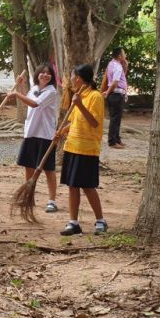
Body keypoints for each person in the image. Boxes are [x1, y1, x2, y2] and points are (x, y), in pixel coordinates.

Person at [56, 64, 109, 235]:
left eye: (72, 76)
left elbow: (94, 123)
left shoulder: (95, 96)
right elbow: (74, 122)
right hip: (72, 146)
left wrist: (79, 105)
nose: (70, 80)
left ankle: (100, 221)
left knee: (87, 186)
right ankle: (73, 223)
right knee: (72, 185)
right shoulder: (79, 96)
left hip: (87, 149)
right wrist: (61, 132)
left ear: (78, 78)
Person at [8, 63, 61, 214]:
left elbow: (35, 104)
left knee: (48, 169)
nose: (45, 75)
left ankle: (52, 201)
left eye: (48, 73)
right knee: (29, 166)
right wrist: (20, 87)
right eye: (42, 72)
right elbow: (28, 99)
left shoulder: (51, 92)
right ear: (37, 74)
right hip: (31, 132)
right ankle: (28, 197)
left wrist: (16, 94)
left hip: (45, 135)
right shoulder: (34, 89)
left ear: (52, 77)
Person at [103, 47, 128, 149]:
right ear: (119, 56)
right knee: (115, 119)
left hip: (115, 94)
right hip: (116, 94)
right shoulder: (117, 66)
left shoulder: (111, 64)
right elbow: (115, 82)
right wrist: (108, 93)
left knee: (117, 119)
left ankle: (117, 139)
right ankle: (112, 141)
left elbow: (121, 77)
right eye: (124, 53)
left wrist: (125, 66)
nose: (125, 55)